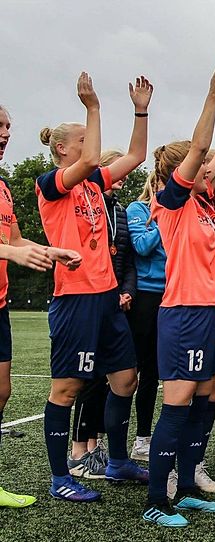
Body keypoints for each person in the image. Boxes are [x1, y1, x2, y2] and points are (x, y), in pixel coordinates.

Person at [37, 73, 152, 502]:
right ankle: (59, 476)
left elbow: (137, 154)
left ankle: (118, 461)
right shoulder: (51, 184)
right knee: (66, 389)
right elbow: (86, 164)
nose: (90, 146)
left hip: (105, 297)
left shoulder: (94, 185)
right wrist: (94, 107)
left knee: (126, 380)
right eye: (82, 140)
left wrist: (140, 110)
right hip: (75, 299)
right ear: (63, 149)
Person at [142, 63, 215, 526]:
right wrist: (213, 96)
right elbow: (204, 148)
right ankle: (157, 502)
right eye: (203, 169)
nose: (213, 171)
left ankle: (184, 486)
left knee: (203, 398)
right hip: (182, 313)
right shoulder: (172, 202)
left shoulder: (206, 202)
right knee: (177, 405)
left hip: (210, 311)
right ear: (186, 170)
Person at [0, 104, 80, 508]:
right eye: (0, 125)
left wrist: (52, 250)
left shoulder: (3, 187)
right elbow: (9, 250)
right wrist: (8, 254)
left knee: (2, 391)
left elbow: (15, 240)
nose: (6, 133)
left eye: (9, 126)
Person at [68, 149, 140, 479]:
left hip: (116, 300)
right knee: (90, 379)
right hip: (90, 299)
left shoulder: (119, 211)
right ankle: (79, 450)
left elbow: (125, 258)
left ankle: (97, 448)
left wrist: (126, 290)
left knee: (115, 378)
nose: (122, 177)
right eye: (117, 170)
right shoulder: (87, 207)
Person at [127, 172, 167, 462]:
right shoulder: (137, 209)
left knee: (153, 372)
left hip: (170, 295)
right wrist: (161, 218)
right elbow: (141, 247)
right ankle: (104, 439)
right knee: (131, 372)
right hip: (143, 297)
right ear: (155, 185)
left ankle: (143, 438)